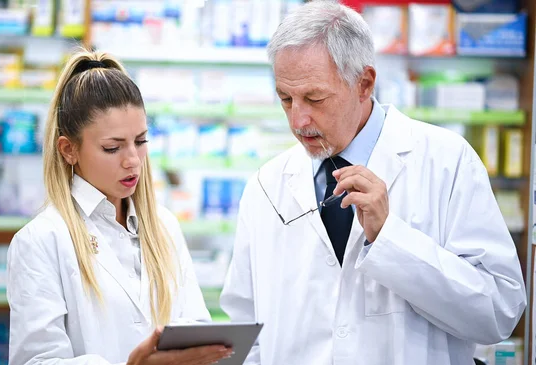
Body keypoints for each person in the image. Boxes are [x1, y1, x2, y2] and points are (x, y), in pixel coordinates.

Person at [219, 2, 527, 365]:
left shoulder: (446, 161)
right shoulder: (267, 185)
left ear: (364, 83)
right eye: (285, 99)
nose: (298, 120)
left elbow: (499, 312)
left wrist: (390, 238)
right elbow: (246, 330)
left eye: (314, 98)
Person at [6, 50, 233, 365]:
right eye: (112, 148)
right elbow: (35, 362)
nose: (132, 160)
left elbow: (196, 332)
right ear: (68, 149)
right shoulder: (41, 240)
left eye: (140, 142)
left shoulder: (163, 226)